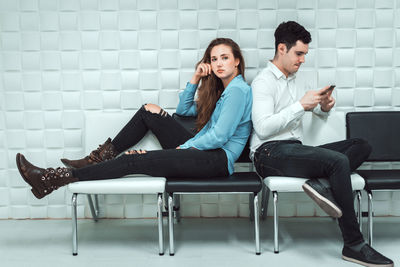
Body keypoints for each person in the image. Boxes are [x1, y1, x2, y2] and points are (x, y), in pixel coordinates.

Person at [16, 38, 252, 200]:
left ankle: (52, 179)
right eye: (214, 59)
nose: (219, 64)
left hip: (216, 160)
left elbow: (220, 136)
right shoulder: (222, 92)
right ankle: (96, 159)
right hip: (202, 152)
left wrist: (185, 147)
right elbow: (183, 110)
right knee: (149, 110)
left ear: (237, 61)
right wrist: (196, 77)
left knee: (133, 160)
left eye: (224, 58)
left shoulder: (238, 91)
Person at [250, 21, 393, 266]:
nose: (303, 60)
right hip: (269, 153)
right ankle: (354, 245)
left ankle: (319, 183)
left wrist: (324, 108)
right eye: (299, 53)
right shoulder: (262, 82)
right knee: (338, 161)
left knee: (361, 145)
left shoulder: (298, 80)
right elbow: (263, 128)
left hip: (295, 149)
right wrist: (299, 106)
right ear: (282, 48)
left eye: (305, 54)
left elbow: (314, 113)